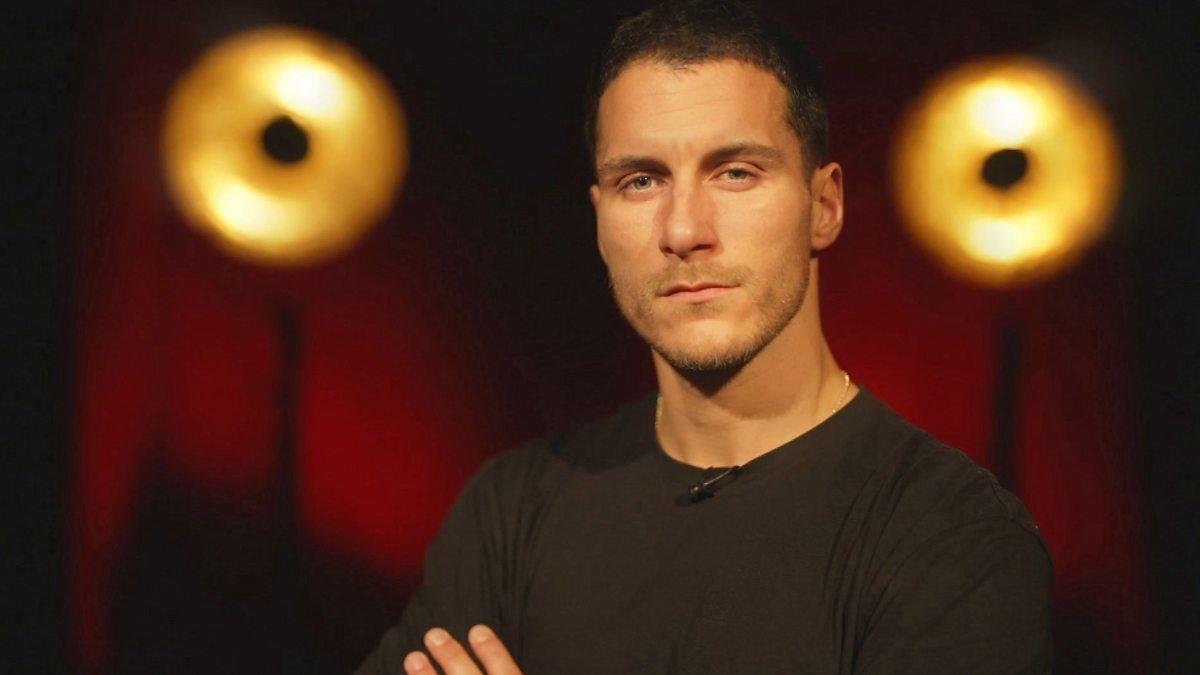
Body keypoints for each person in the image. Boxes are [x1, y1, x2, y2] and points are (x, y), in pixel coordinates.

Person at [356, 1, 1053, 673]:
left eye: (735, 173)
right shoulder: (510, 513)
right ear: (598, 219)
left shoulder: (952, 537)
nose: (684, 230)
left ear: (824, 206)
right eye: (640, 181)